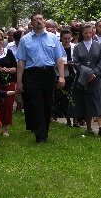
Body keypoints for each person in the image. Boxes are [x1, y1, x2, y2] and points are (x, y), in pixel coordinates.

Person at [16, 13, 66, 143]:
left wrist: (61, 76)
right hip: (32, 74)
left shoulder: (53, 38)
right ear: (31, 23)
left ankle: (45, 131)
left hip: (48, 73)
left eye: (40, 19)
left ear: (44, 21)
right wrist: (19, 81)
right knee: (36, 103)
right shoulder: (25, 40)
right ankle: (40, 135)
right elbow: (21, 61)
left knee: (47, 103)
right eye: (35, 20)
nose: (38, 21)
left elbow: (59, 59)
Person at [69, 23, 101, 135]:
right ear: (82, 34)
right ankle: (88, 127)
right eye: (86, 33)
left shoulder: (98, 46)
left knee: (99, 100)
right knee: (86, 101)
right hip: (83, 78)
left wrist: (95, 72)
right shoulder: (77, 47)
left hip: (97, 78)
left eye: (90, 33)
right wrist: (87, 72)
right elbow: (76, 62)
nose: (88, 35)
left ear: (93, 33)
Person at [53, 28, 76, 126]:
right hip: (60, 74)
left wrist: (71, 63)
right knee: (60, 95)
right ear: (61, 38)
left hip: (72, 73)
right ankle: (57, 116)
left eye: (68, 38)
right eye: (65, 38)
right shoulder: (57, 47)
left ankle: (73, 118)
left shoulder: (74, 47)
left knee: (72, 96)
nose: (67, 40)